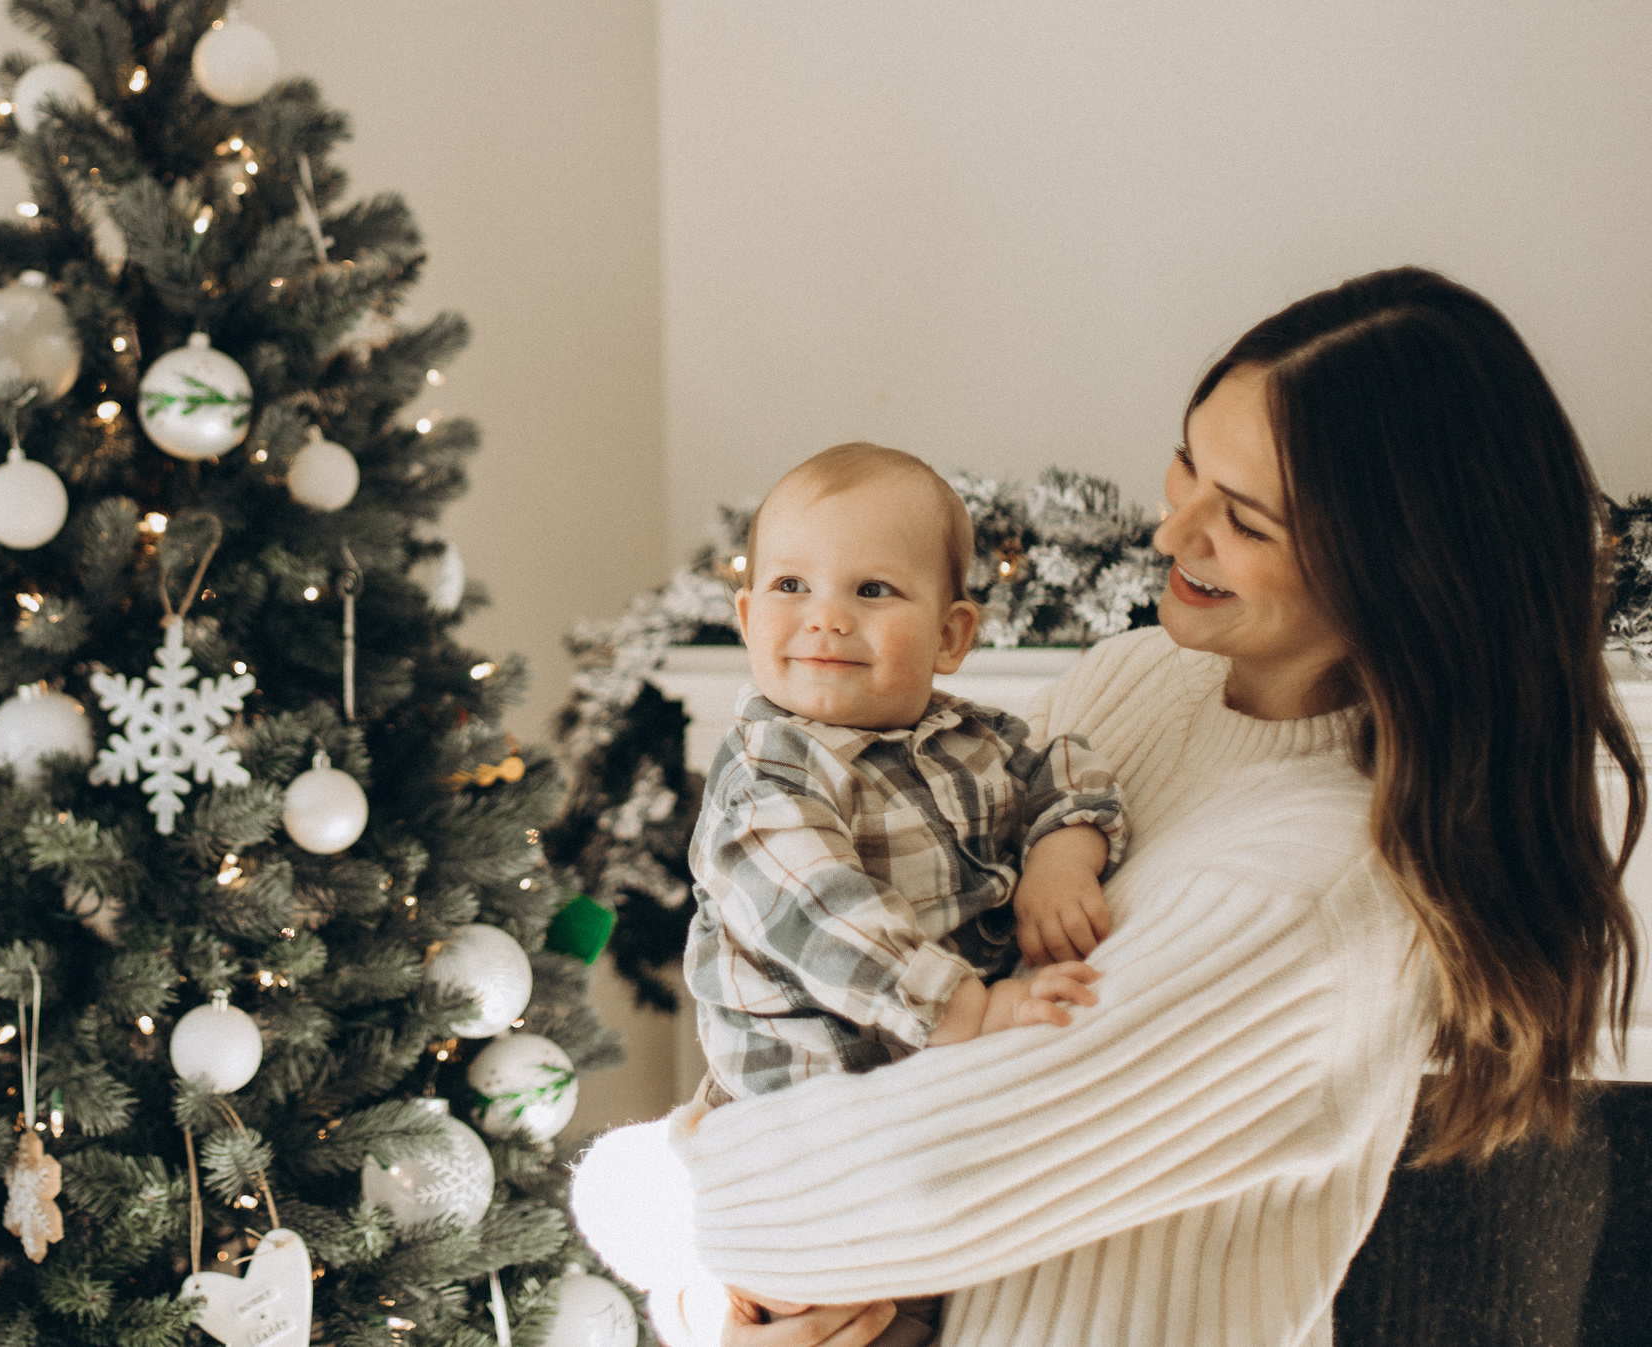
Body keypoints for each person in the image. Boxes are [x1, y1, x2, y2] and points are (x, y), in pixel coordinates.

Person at [577, 268, 1643, 1347]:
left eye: (1244, 522)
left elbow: (913, 1183)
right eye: (1186, 465)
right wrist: (712, 1303)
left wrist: (633, 1193)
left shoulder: (1311, 891)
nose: (1171, 534)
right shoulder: (1135, 677)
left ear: (1395, 570)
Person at [686, 444, 1130, 1345]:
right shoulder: (765, 777)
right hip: (809, 1157)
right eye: (790, 586)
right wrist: (977, 1006)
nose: (826, 620)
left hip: (924, 1131)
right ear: (744, 615)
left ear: (953, 635)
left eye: (873, 591)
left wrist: (1061, 859)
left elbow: (1070, 768)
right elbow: (822, 916)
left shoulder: (982, 739)